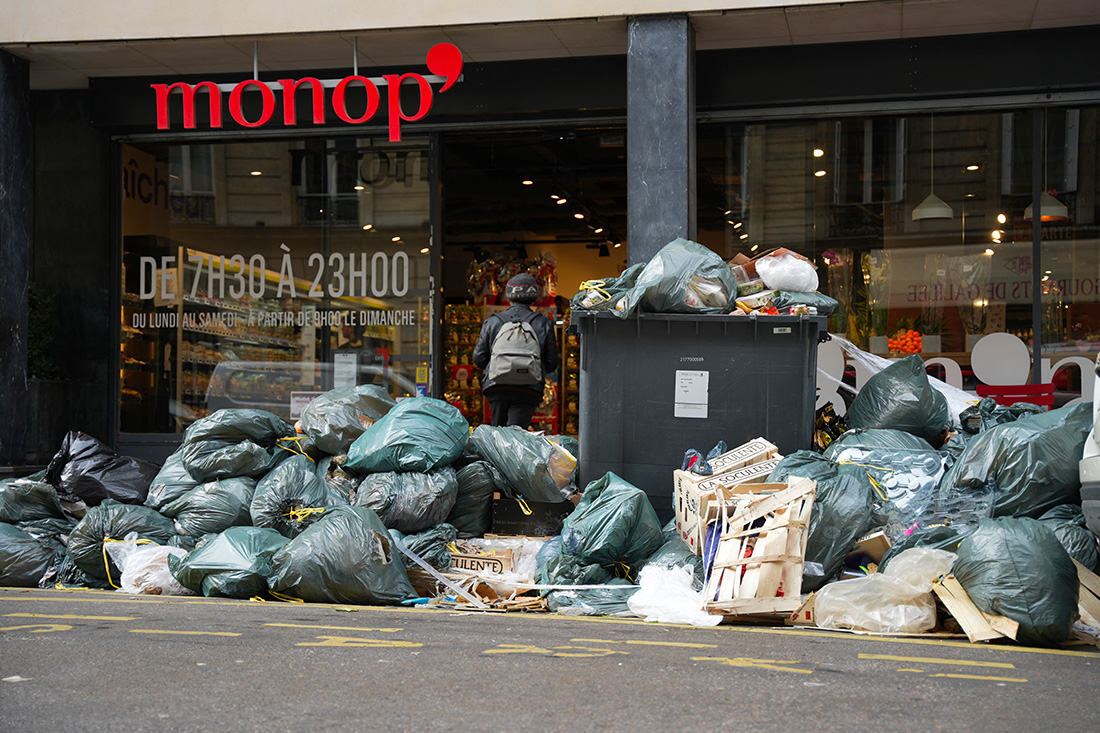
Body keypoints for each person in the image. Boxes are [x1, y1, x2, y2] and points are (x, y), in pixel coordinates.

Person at [472, 273, 559, 429]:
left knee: (498, 433)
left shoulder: (493, 321)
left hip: (496, 386)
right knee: (517, 435)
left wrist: (502, 367)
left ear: (509, 295)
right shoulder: (543, 323)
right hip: (528, 388)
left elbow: (479, 358)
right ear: (534, 296)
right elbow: (552, 363)